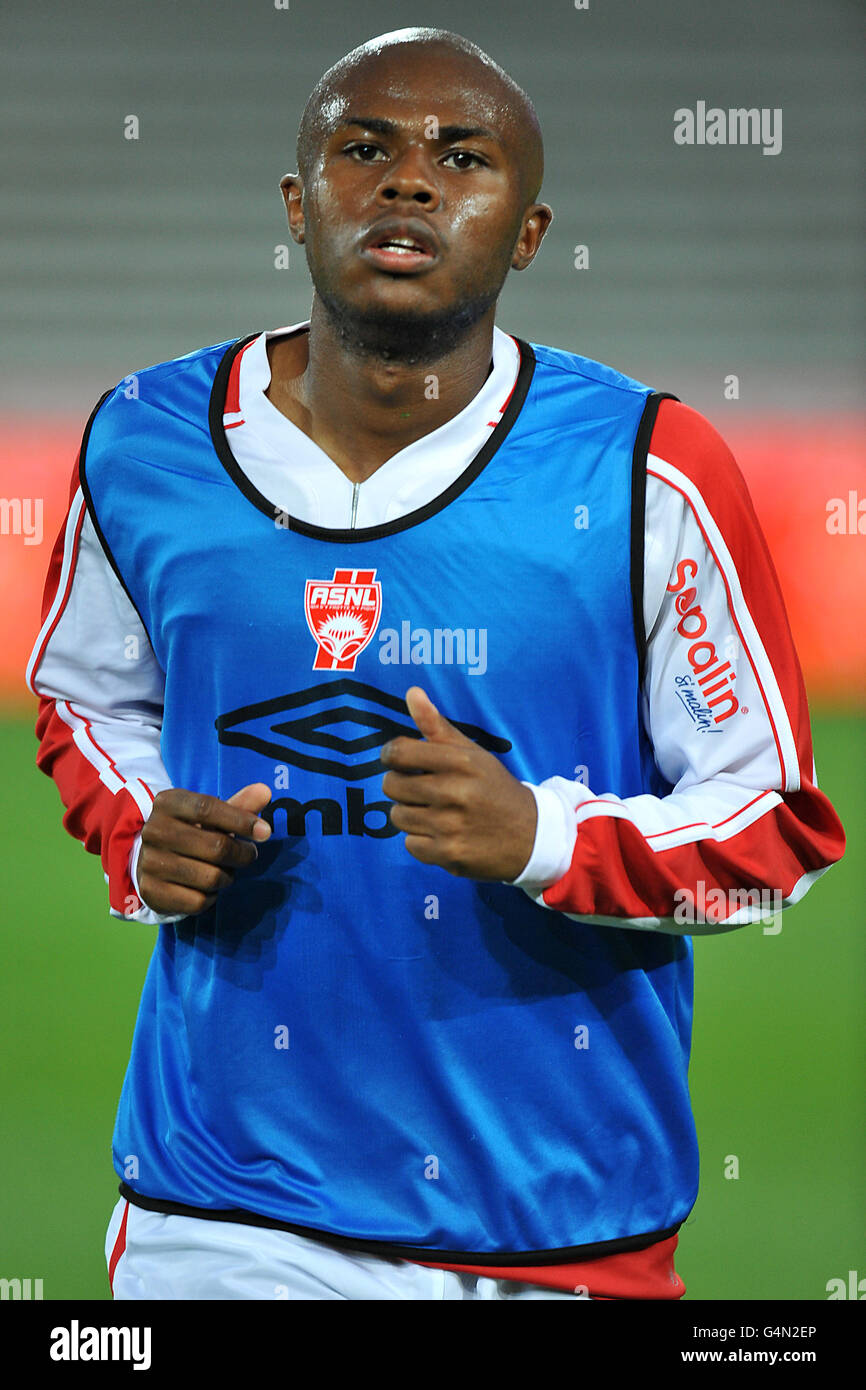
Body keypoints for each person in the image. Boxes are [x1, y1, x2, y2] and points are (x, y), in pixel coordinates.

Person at [27, 27, 845, 1302]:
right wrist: (142, 833)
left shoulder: (646, 470)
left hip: (559, 1232)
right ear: (300, 205)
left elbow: (770, 843)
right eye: (366, 149)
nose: (408, 182)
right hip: (223, 1210)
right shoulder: (143, 442)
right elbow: (86, 697)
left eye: (460, 157)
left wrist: (540, 837)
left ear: (526, 231)